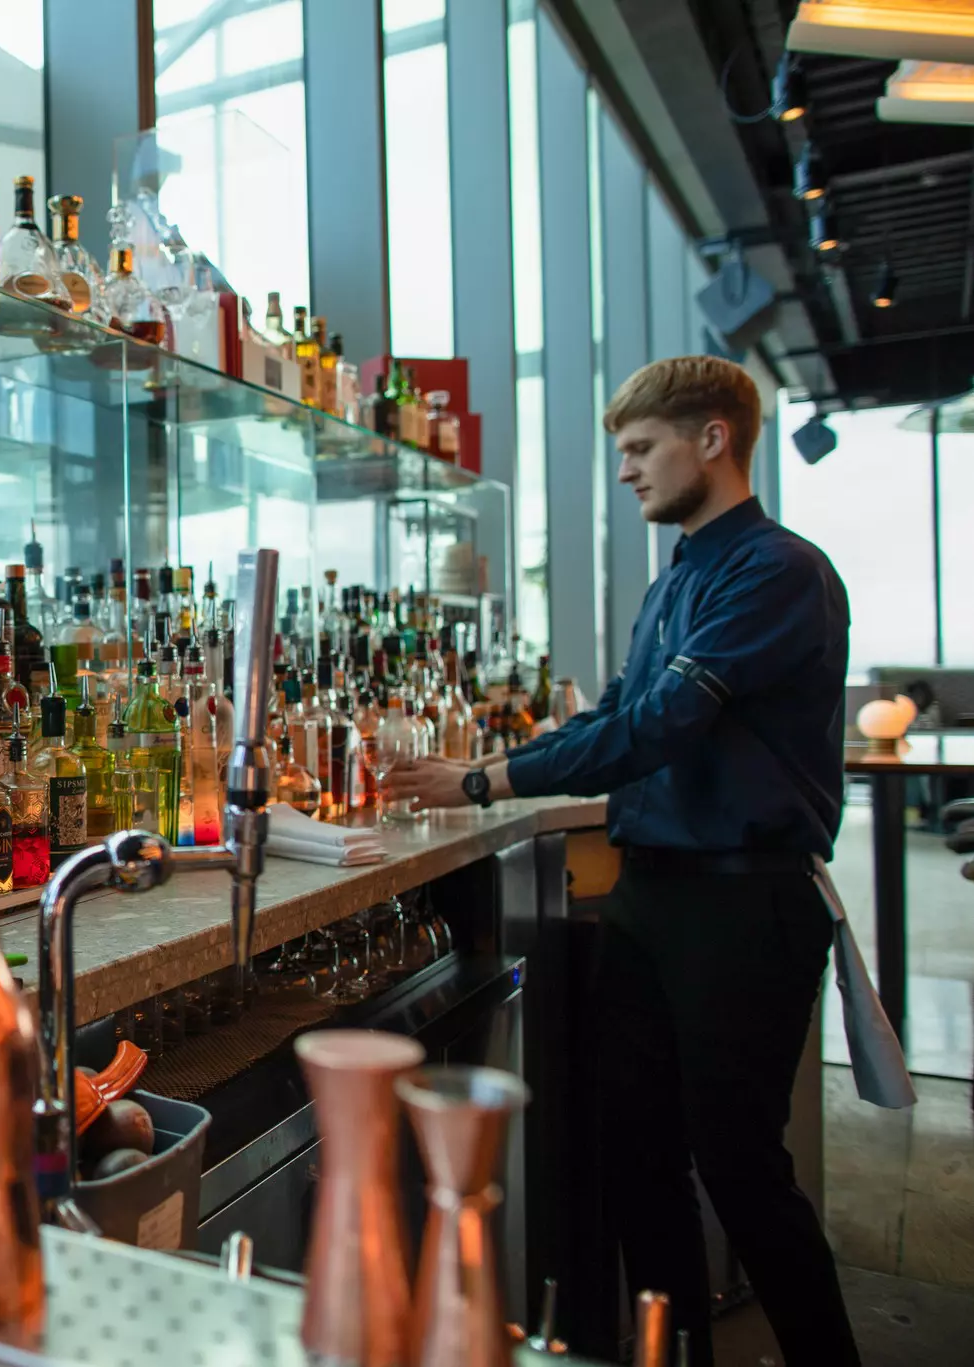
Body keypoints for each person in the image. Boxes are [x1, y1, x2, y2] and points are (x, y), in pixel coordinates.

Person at [388, 355, 859, 1367]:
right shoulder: (679, 575)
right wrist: (484, 764)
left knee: (739, 1168)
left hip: (743, 909)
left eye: (641, 449)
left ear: (714, 439)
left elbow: (665, 722)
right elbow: (611, 715)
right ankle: (670, 1352)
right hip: (652, 898)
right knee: (635, 1154)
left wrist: (488, 781)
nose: (625, 472)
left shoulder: (779, 571)